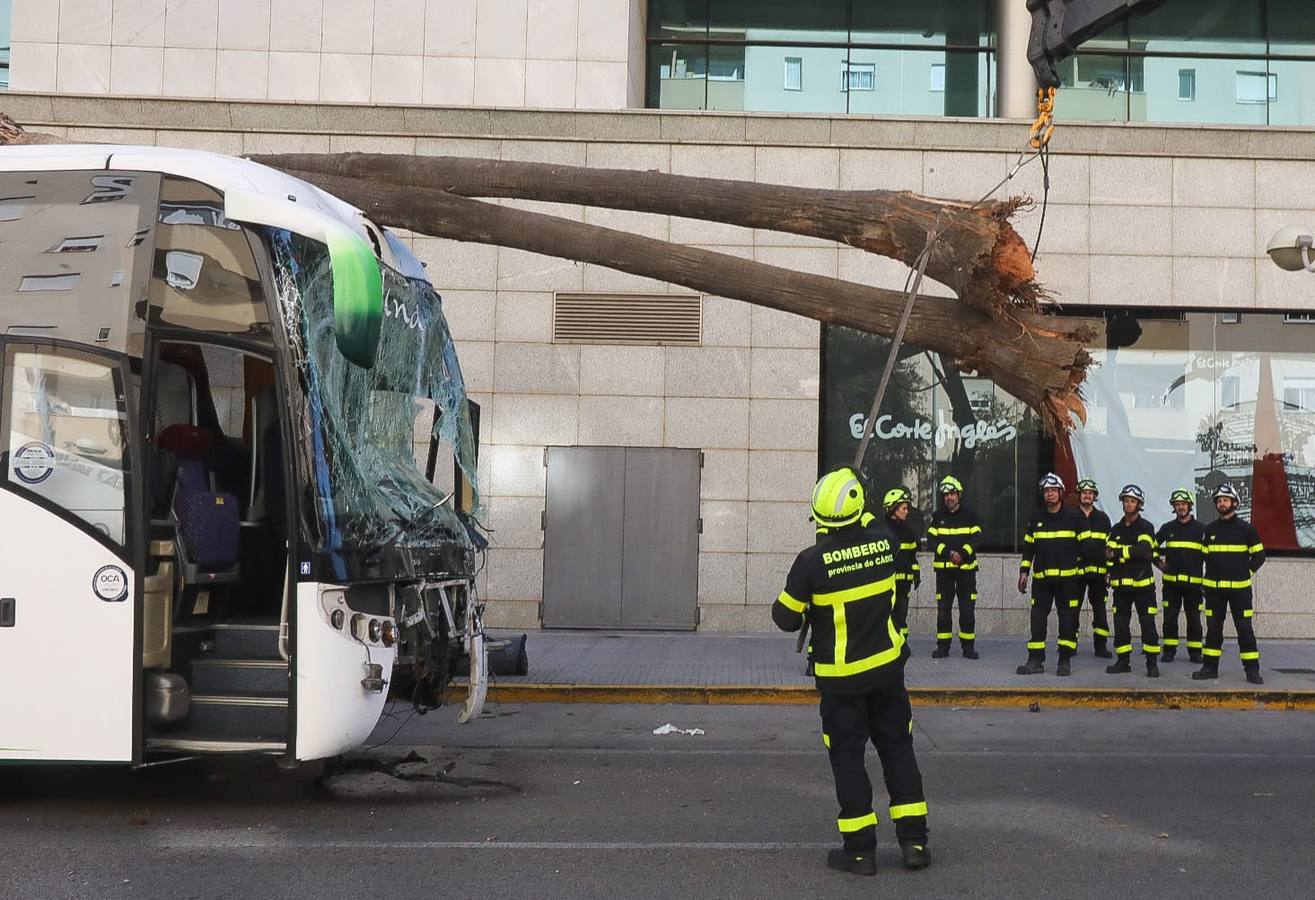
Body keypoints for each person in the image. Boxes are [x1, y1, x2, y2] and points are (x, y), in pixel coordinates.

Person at [773, 467, 930, 876]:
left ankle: (860, 852)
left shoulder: (810, 563)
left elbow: (784, 618)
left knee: (848, 758)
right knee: (897, 749)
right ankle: (915, 844)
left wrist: (809, 600)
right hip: (887, 670)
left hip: (841, 680)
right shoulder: (886, 543)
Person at [1193, 483, 1266, 685]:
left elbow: (1259, 556)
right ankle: (1209, 668)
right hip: (1214, 591)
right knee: (1213, 630)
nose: (1221, 503)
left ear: (1234, 502)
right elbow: (1203, 558)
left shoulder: (1247, 530)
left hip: (1240, 592)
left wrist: (1246, 573)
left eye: (1225, 500)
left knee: (1245, 630)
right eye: (1218, 500)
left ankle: (1252, 671)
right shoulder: (1209, 530)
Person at [1016, 473, 1084, 676]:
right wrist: (1024, 572)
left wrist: (1079, 571)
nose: (1050, 494)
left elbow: (1085, 548)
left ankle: (1064, 660)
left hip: (1068, 581)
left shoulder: (1074, 517)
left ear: (1061, 493)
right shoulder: (1036, 519)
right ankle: (1035, 660)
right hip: (1042, 581)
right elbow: (1029, 549)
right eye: (1046, 491)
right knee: (1037, 620)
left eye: (1053, 490)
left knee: (1067, 621)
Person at [1105, 484, 1160, 678]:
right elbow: (1108, 554)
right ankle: (1122, 661)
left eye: (1132, 501)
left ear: (1139, 504)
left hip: (1142, 587)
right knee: (1120, 625)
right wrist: (1111, 567)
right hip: (1120, 587)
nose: (1128, 504)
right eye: (1126, 500)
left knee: (1147, 624)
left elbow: (1144, 551)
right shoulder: (1116, 529)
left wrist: (1120, 553)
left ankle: (1152, 664)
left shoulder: (1146, 527)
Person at [926, 475, 980, 660]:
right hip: (944, 572)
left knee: (967, 610)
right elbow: (931, 540)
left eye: (952, 494)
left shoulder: (971, 515)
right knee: (943, 610)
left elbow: (977, 538)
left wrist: (962, 554)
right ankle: (943, 647)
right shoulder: (937, 516)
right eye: (946, 495)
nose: (948, 497)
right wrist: (949, 553)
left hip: (966, 572)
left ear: (959, 495)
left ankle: (968, 648)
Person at [1155, 488, 1206, 664]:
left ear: (1189, 506)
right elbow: (1150, 546)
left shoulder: (1201, 529)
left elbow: (1211, 554)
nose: (1180, 507)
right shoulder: (1167, 528)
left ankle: (1195, 652)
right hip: (1171, 585)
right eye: (1177, 505)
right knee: (1170, 618)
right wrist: (1158, 563)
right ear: (1173, 508)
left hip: (1194, 586)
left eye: (1183, 504)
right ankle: (1169, 651)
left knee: (1194, 619)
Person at [1075, 478, 1114, 658]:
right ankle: (1069, 645)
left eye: (1090, 493)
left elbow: (1109, 547)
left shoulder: (1103, 518)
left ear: (1094, 496)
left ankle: (1101, 646)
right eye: (1084, 493)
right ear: (1079, 495)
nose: (1087, 495)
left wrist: (1109, 570)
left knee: (1100, 611)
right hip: (1076, 573)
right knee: (1072, 610)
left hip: (1099, 574)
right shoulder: (1071, 516)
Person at [883, 487, 920, 643]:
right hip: (887, 584)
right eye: (904, 508)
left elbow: (912, 556)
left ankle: (902, 645)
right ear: (892, 508)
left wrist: (916, 573)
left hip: (904, 584)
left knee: (901, 616)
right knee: (886, 616)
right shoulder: (881, 531)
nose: (907, 511)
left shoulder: (908, 531)